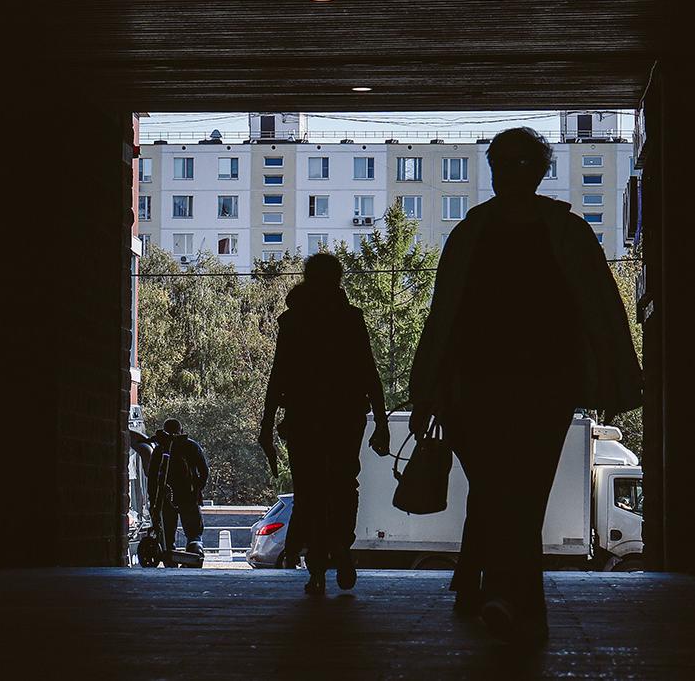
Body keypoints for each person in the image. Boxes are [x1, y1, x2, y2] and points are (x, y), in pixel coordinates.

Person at [409, 127, 642, 644]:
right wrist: (614, 381)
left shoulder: (471, 233)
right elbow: (602, 314)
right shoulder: (565, 232)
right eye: (501, 163)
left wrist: (428, 388)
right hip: (543, 387)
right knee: (521, 494)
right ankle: (513, 599)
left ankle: (498, 592)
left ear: (534, 170)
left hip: (479, 388)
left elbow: (443, 317)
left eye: (510, 163)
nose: (505, 173)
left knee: (497, 492)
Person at [260, 252, 390, 595]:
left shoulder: (293, 322)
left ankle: (317, 566)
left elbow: (279, 375)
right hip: (345, 417)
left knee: (310, 491)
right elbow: (368, 371)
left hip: (304, 419)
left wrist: (266, 424)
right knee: (345, 484)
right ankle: (341, 549)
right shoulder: (350, 319)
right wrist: (380, 420)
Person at [146, 419, 209, 563]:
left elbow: (153, 477)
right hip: (189, 497)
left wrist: (154, 500)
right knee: (194, 534)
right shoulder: (192, 446)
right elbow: (204, 472)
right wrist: (197, 489)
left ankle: (170, 560)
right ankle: (195, 556)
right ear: (181, 430)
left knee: (168, 534)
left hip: (166, 498)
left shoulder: (160, 449)